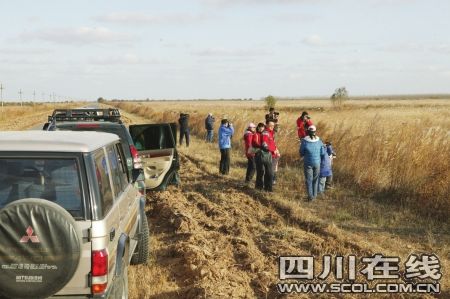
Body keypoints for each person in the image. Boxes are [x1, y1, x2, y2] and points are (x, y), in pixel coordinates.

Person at [299, 125, 325, 201]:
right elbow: (322, 153)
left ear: (307, 131)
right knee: (315, 179)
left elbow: (301, 152)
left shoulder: (304, 141)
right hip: (317, 163)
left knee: (308, 180)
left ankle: (310, 197)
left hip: (308, 163)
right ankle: (315, 195)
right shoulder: (319, 141)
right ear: (315, 132)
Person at [258, 120, 278, 192]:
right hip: (269, 156)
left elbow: (272, 143)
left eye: (273, 125)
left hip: (273, 155)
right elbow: (264, 144)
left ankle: (267, 188)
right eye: (270, 125)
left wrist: (276, 149)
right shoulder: (266, 133)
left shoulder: (270, 133)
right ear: (266, 125)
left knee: (269, 172)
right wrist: (272, 150)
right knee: (269, 173)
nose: (272, 127)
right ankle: (268, 189)